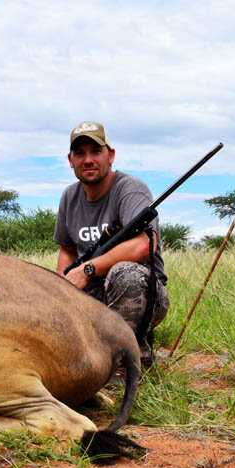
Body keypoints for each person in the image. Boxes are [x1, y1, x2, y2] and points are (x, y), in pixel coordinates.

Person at [54, 121, 169, 367]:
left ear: (111, 155)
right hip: (90, 297)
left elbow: (143, 245)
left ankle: (129, 361)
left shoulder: (131, 189)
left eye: (96, 151)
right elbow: (67, 249)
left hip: (142, 293)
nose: (88, 160)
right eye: (80, 153)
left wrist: (87, 270)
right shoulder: (68, 196)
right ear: (70, 160)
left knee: (125, 274)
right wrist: (63, 284)